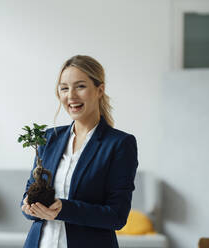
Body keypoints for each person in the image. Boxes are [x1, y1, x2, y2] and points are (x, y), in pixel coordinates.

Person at [20, 55, 139, 248]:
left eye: (80, 86)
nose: (71, 96)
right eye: (64, 88)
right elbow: (27, 197)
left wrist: (64, 209)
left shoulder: (119, 144)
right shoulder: (48, 139)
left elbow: (117, 216)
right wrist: (29, 207)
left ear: (100, 90)